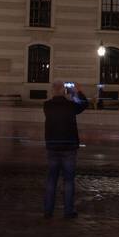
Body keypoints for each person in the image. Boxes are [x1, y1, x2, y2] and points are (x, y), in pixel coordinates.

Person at [43, 82, 88, 219]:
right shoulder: (70, 106)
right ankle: (68, 210)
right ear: (64, 91)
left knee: (51, 180)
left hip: (53, 147)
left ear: (52, 91)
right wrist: (77, 91)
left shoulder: (47, 106)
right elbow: (83, 104)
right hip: (69, 147)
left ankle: (48, 210)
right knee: (68, 181)